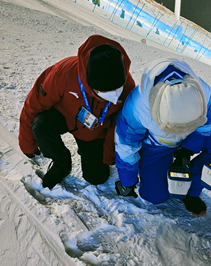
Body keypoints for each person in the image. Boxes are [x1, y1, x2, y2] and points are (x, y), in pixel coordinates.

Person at [114, 58, 211, 215]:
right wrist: (128, 181)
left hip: (192, 135)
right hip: (158, 144)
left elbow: (208, 124)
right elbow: (127, 145)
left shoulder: (203, 92)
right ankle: (157, 170)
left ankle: (192, 188)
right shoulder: (137, 107)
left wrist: (186, 151)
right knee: (155, 196)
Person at [19, 35, 135, 190]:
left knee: (97, 178)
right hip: (62, 115)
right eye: (105, 93)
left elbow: (117, 125)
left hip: (94, 130)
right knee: (40, 125)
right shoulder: (64, 73)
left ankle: (86, 149)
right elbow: (33, 105)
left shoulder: (128, 87)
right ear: (90, 83)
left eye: (117, 90)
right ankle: (61, 161)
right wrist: (27, 145)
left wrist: (108, 156)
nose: (114, 97)